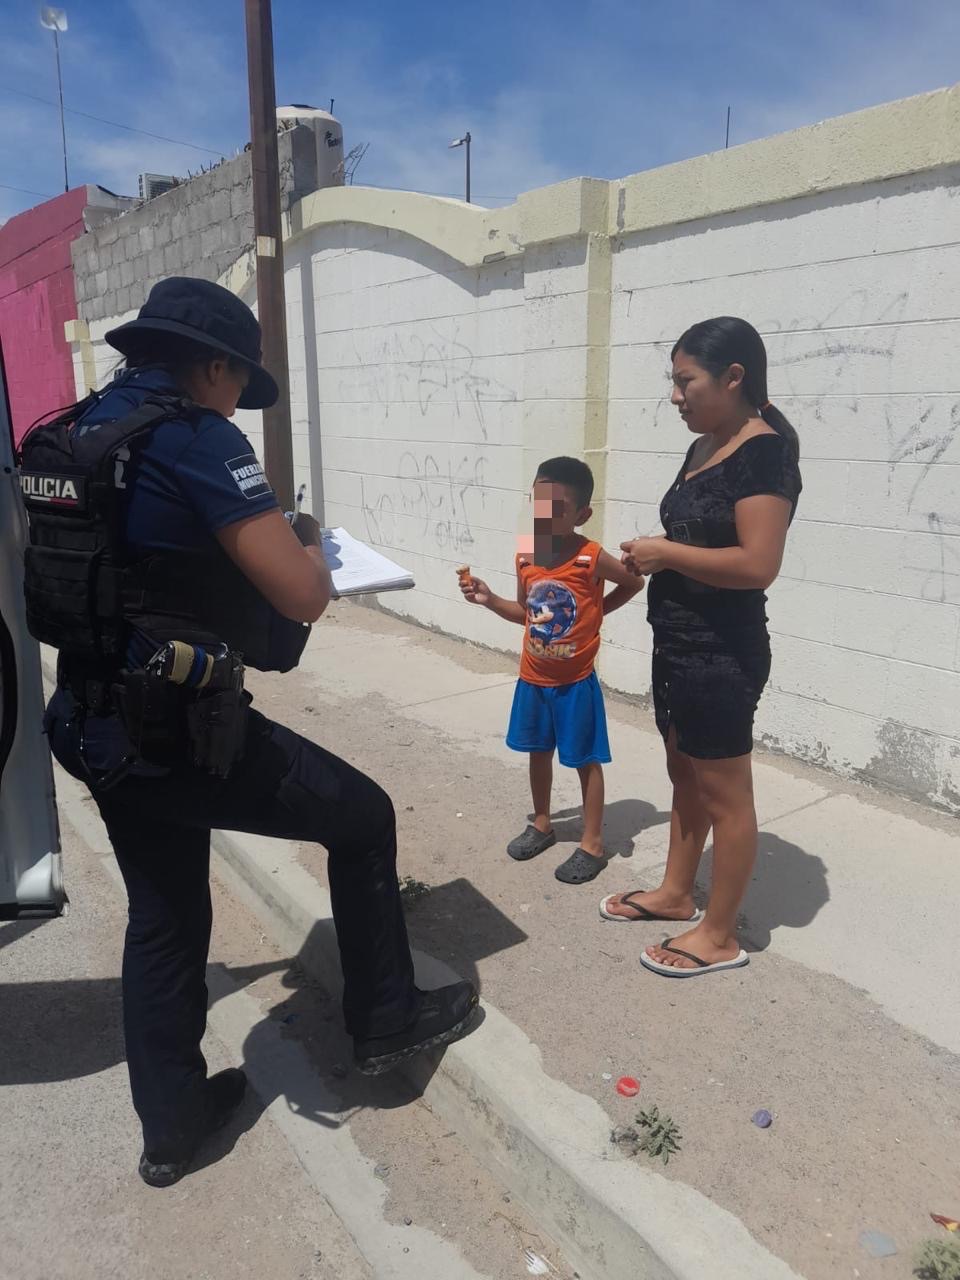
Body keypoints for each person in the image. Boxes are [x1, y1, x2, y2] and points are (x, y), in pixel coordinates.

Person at [22, 277, 477, 1188]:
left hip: (91, 724)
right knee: (361, 816)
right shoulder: (193, 438)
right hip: (182, 733)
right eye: (238, 384)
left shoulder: (61, 433)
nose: (238, 403)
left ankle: (173, 1129)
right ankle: (386, 1020)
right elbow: (303, 595)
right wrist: (308, 540)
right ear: (215, 365)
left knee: (163, 914)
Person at [601, 317, 802, 977]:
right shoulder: (707, 444)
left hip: (722, 651)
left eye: (686, 381)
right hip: (678, 643)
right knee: (684, 775)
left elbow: (756, 564)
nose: (675, 395)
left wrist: (666, 553)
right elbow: (697, 542)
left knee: (726, 795)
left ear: (733, 377)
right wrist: (642, 561)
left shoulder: (763, 452)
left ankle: (718, 935)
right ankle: (675, 893)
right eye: (675, 381)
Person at [459, 457, 644, 884]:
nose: (545, 515)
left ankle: (593, 843)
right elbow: (526, 612)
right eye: (538, 503)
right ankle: (542, 823)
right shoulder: (527, 554)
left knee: (585, 759)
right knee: (537, 751)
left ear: (582, 515)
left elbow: (633, 583)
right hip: (533, 678)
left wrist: (598, 613)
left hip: (575, 682)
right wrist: (488, 599)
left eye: (557, 507)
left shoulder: (590, 556)